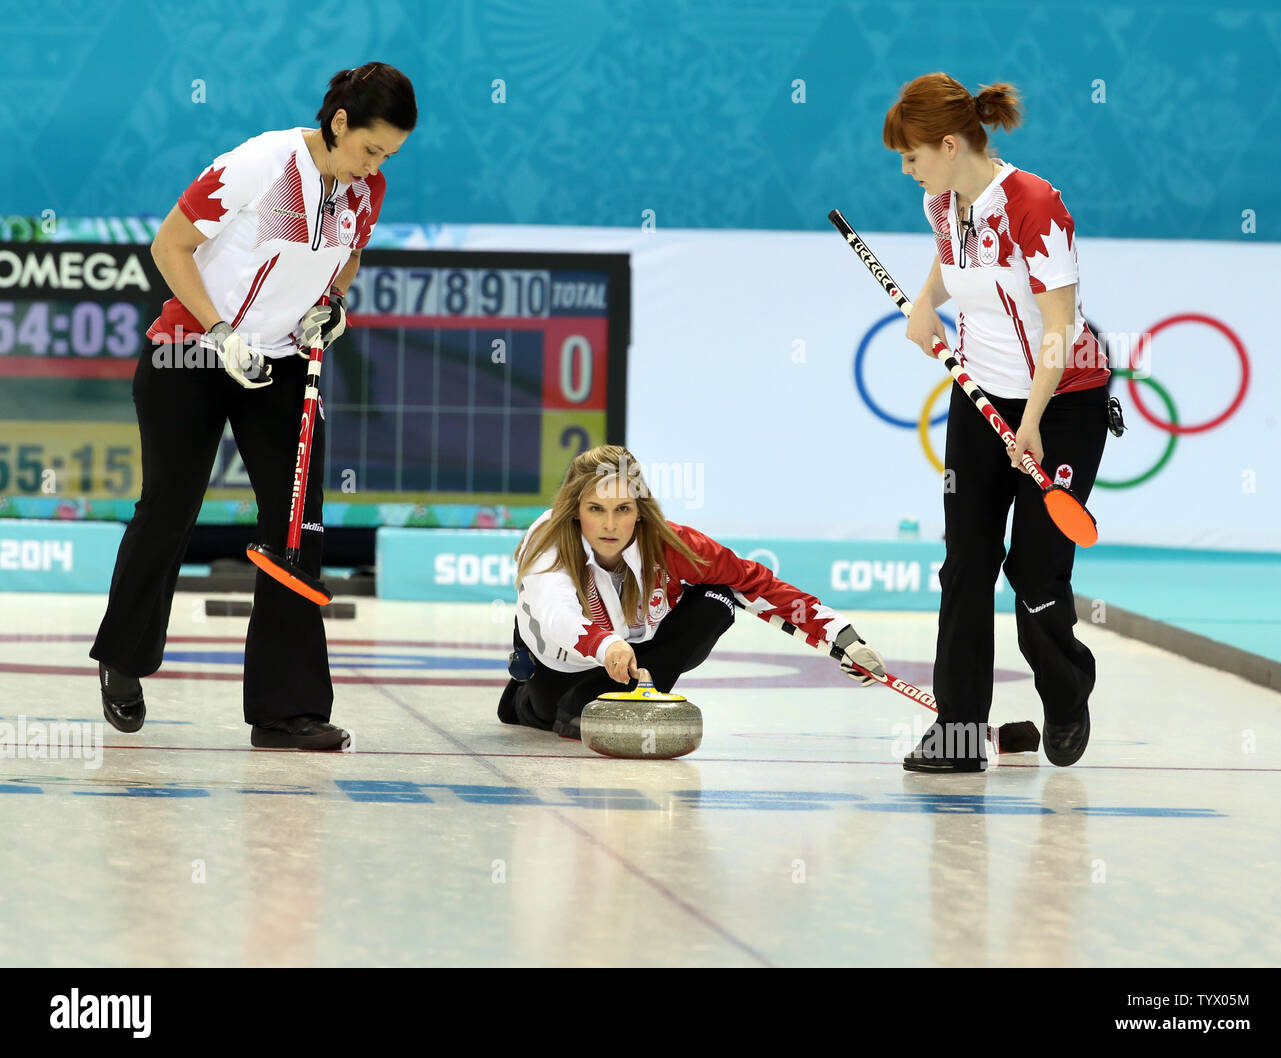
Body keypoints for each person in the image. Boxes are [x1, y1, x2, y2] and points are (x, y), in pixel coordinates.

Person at [91, 63, 417, 750]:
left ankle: (286, 708)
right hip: (192, 350)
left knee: (297, 524)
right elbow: (170, 245)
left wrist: (330, 306)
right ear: (338, 123)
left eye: (388, 155)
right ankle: (124, 658)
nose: (375, 166)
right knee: (171, 507)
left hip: (284, 361)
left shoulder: (368, 189)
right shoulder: (261, 164)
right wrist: (218, 333)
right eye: (370, 148)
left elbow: (346, 258)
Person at [883, 73, 1110, 772]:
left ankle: (1067, 689)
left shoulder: (1035, 205)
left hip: (1061, 402)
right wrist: (926, 302)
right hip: (979, 397)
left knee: (1035, 572)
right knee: (966, 566)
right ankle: (957, 732)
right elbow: (952, 264)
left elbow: (1059, 327)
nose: (906, 169)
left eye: (912, 155)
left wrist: (1034, 420)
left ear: (950, 144)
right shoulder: (942, 203)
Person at [497, 445, 888, 739]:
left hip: (634, 653)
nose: (611, 525)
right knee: (550, 715)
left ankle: (600, 700)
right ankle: (524, 698)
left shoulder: (672, 545)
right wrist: (607, 647)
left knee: (718, 598)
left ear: (640, 509)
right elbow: (558, 613)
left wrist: (844, 639)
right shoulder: (547, 542)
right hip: (561, 657)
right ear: (575, 509)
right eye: (596, 509)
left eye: (623, 509)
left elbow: (755, 583)